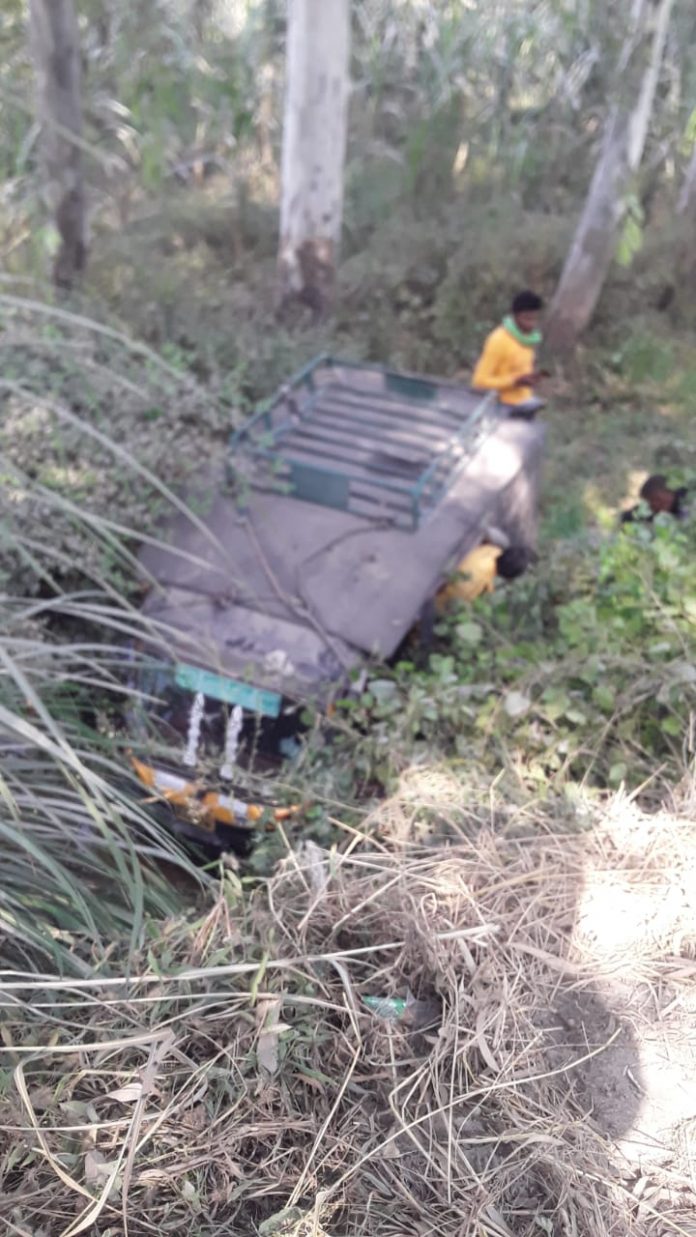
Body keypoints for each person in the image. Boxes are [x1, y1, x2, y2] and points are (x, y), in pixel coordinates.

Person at [417, 541, 533, 653]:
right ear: (509, 577)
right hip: (428, 604)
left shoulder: (491, 550)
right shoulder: (476, 585)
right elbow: (452, 606)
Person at [471, 290, 547, 419]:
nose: (531, 324)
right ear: (515, 316)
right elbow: (479, 382)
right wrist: (515, 381)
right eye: (527, 319)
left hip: (525, 405)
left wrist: (531, 379)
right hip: (501, 409)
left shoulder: (528, 340)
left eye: (535, 319)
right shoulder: (498, 340)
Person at [621, 475, 689, 525]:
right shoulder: (652, 512)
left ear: (668, 491)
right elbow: (629, 516)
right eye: (651, 503)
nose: (657, 505)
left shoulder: (686, 496)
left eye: (658, 499)